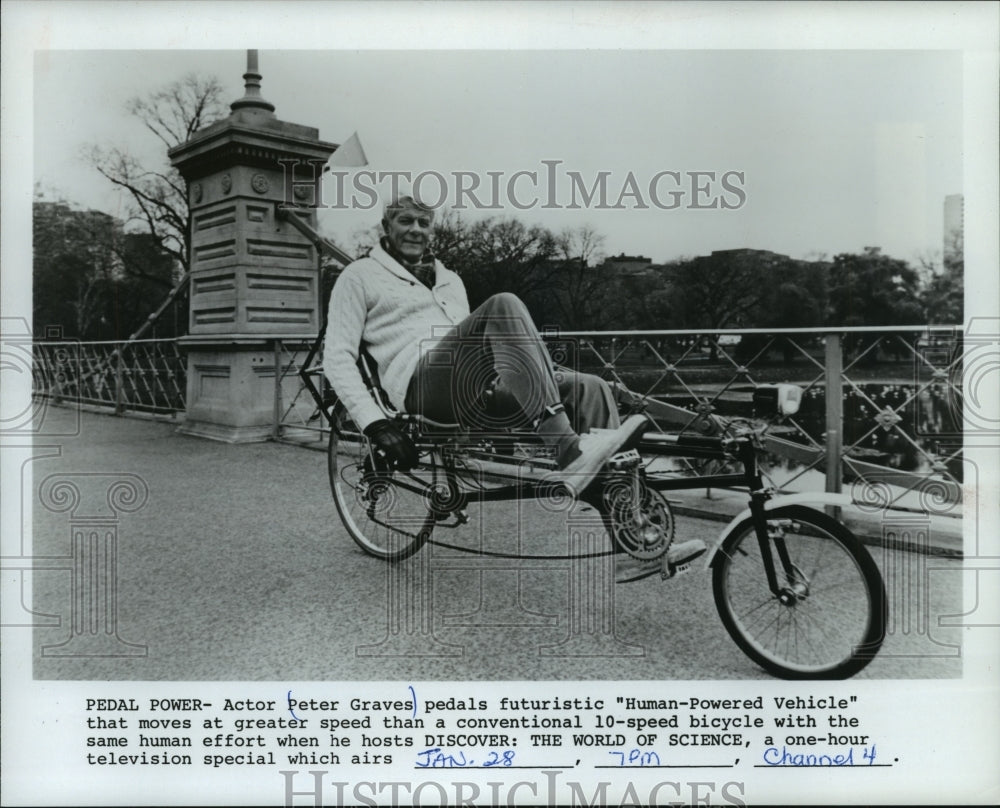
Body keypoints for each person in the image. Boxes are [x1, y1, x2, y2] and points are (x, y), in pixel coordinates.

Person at [324, 194, 705, 582]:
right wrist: (374, 424)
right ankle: (570, 454)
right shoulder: (358, 277)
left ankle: (633, 541)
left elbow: (489, 348)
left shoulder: (449, 279)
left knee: (588, 388)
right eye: (406, 221)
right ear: (385, 228)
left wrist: (542, 374)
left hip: (477, 388)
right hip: (422, 387)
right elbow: (336, 357)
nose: (416, 230)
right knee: (503, 303)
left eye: (424, 223)